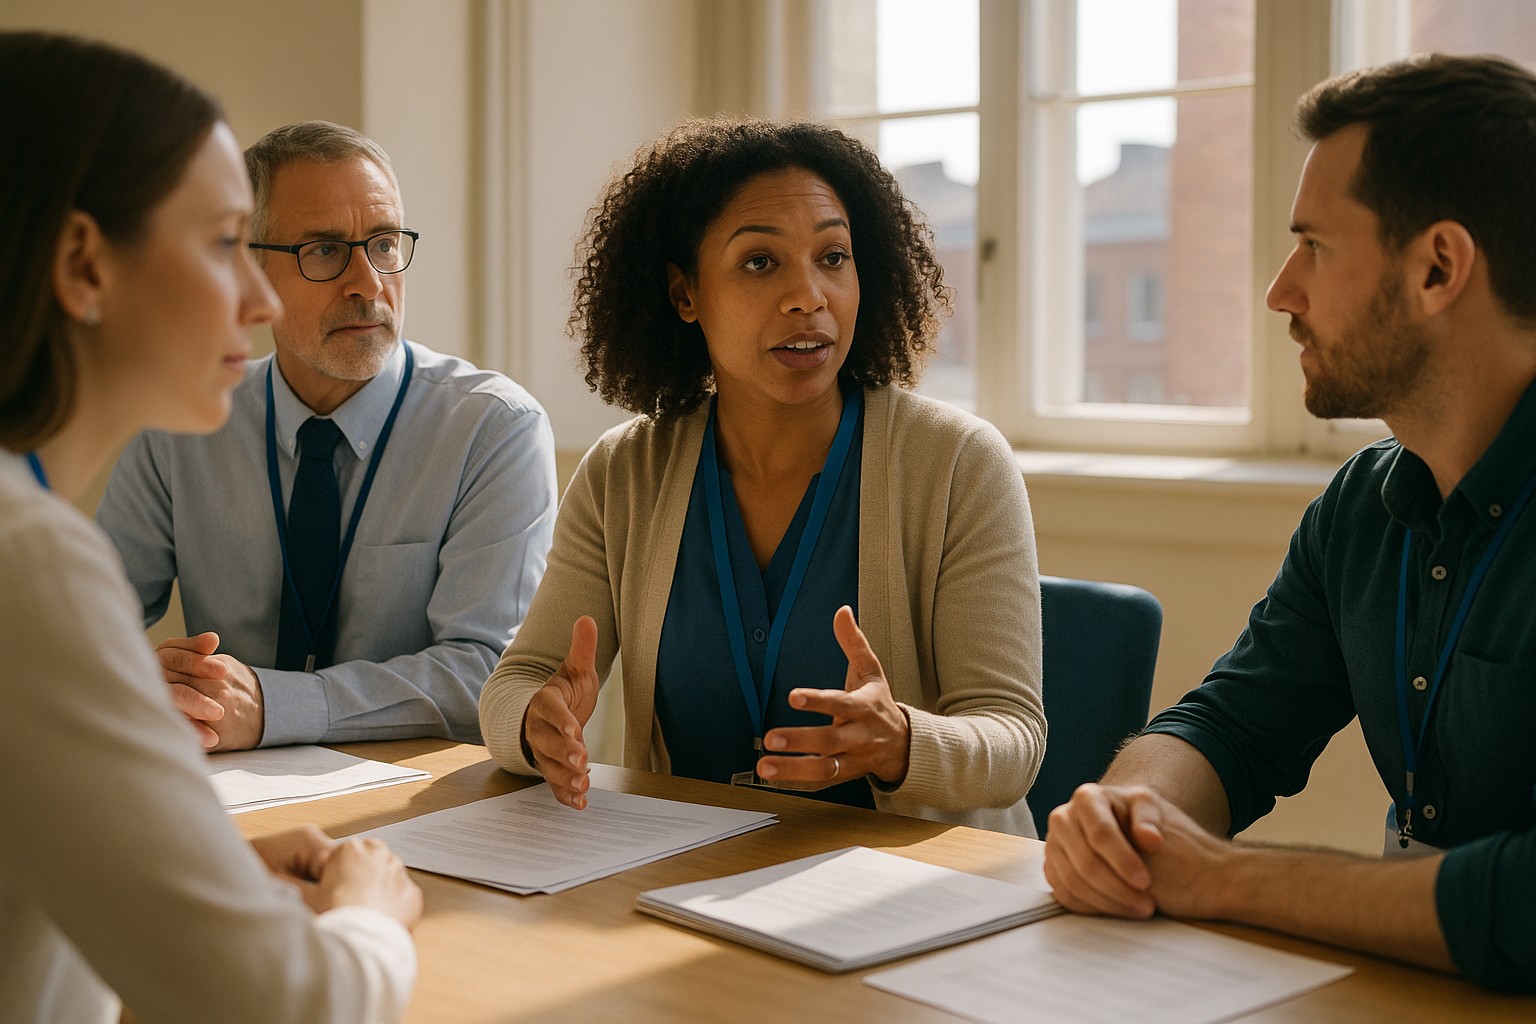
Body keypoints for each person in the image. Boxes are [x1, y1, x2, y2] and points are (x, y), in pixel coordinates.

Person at [1043, 53, 1536, 992]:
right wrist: (1125, 819)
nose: (1281, 290)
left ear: (1438, 267)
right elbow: (1232, 723)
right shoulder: (1363, 504)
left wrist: (1222, 877)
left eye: (1314, 245)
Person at [0, 31, 421, 1023]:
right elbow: (287, 1005)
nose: (263, 295)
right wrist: (371, 916)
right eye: (227, 240)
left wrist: (200, 866)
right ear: (82, 265)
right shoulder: (31, 561)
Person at [479, 118, 1046, 835]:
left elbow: (1013, 739)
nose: (808, 295)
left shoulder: (959, 464)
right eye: (760, 263)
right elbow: (516, 683)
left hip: (915, 893)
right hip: (691, 878)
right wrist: (536, 720)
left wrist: (903, 741)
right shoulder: (624, 474)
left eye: (833, 256)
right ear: (685, 295)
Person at [96, 120, 558, 751]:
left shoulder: (493, 428)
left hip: (421, 807)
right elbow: (85, 621)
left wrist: (272, 707)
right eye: (323, 250)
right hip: (226, 796)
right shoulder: (179, 426)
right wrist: (138, 678)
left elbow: (486, 675)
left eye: (385, 245)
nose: (368, 283)